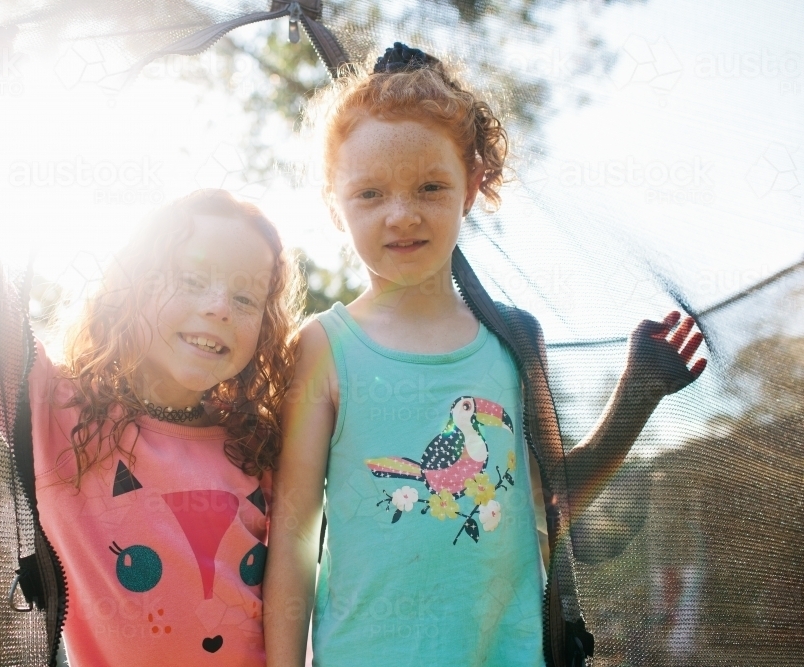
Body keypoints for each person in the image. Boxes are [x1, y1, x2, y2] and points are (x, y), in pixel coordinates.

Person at [263, 42, 707, 667]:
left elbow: (551, 499)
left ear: (472, 187)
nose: (402, 214)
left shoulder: (515, 337)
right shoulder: (323, 346)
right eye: (370, 194)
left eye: (430, 186)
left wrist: (635, 398)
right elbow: (294, 534)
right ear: (333, 201)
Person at [0, 29, 303, 667]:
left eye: (247, 296)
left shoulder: (260, 446)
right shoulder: (61, 415)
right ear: (132, 287)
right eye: (192, 278)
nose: (218, 307)